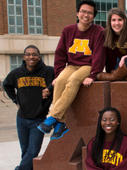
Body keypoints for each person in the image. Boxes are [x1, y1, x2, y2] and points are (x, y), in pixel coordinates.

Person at [37, 0, 105, 140]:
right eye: (83, 11)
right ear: (77, 13)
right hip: (72, 65)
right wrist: (59, 73)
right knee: (61, 80)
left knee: (73, 80)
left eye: (90, 13)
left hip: (88, 66)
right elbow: (60, 53)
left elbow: (99, 54)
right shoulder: (68, 30)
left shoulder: (99, 32)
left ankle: (53, 117)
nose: (86, 15)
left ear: (94, 16)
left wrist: (93, 75)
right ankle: (60, 123)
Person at [3, 45, 54, 170]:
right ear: (24, 57)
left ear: (39, 57)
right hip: (22, 119)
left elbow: (58, 82)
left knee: (32, 151)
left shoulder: (48, 71)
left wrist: (49, 90)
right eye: (28, 54)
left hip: (39, 119)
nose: (31, 56)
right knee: (25, 151)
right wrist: (15, 100)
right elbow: (6, 85)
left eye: (34, 54)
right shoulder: (17, 73)